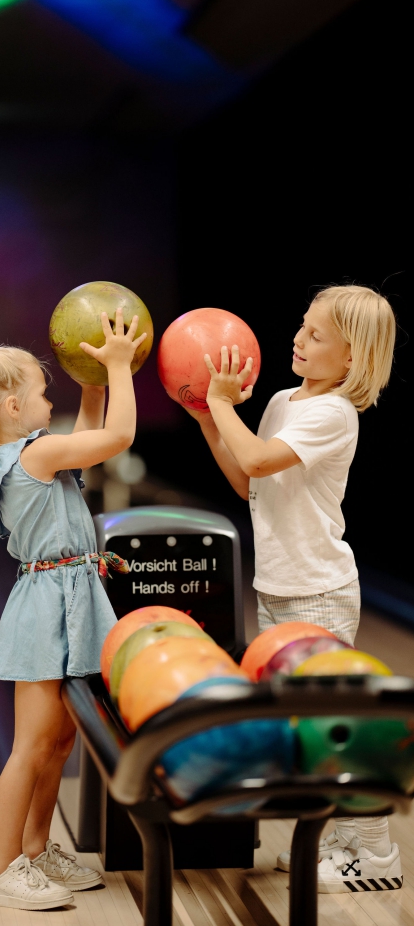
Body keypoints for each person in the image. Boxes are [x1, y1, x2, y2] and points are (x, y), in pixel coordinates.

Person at [188, 284, 399, 893]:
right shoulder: (283, 399)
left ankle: (377, 855)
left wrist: (224, 403)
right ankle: (335, 844)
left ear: (353, 357)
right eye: (302, 326)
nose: (299, 338)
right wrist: (209, 417)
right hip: (279, 589)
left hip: (319, 593)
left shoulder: (334, 414)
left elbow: (254, 459)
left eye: (316, 334)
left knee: (334, 727)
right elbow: (246, 481)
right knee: (309, 731)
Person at [0, 309, 146, 911]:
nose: (48, 399)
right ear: (11, 407)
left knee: (58, 744)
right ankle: (4, 869)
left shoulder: (41, 451)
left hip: (71, 596)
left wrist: (92, 385)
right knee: (30, 748)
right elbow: (117, 439)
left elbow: (86, 445)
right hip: (46, 604)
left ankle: (36, 849)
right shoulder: (32, 455)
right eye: (42, 392)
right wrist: (117, 367)